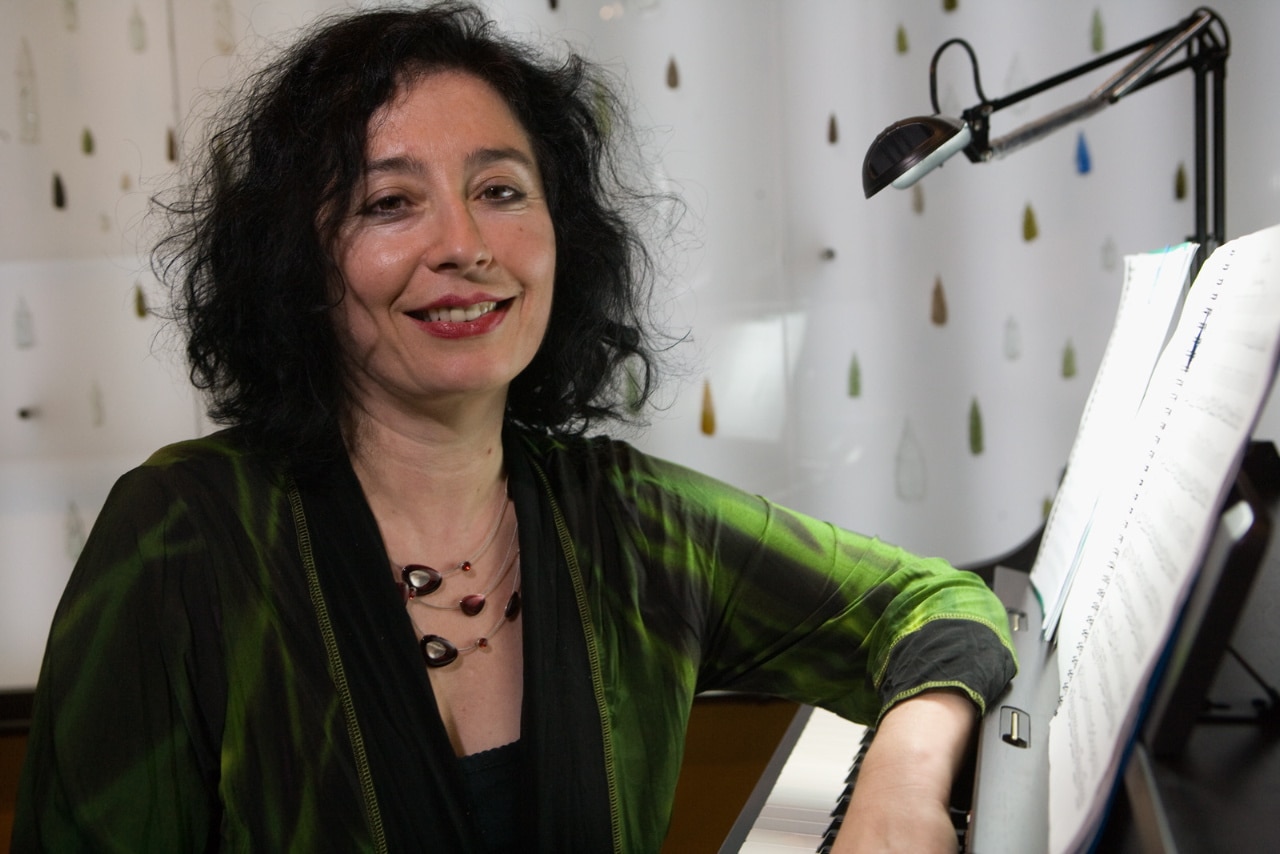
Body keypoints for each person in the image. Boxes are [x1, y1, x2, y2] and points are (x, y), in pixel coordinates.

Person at [12, 4, 1016, 852]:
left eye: (499, 190)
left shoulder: (626, 518)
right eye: (389, 202)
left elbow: (934, 603)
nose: (464, 244)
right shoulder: (179, 535)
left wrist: (901, 783)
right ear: (300, 264)